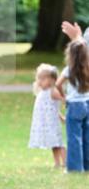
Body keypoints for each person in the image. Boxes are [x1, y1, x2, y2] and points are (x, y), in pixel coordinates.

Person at [55, 38, 89, 172]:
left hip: (74, 104)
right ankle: (87, 166)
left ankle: (75, 168)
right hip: (87, 103)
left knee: (74, 137)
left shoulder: (68, 70)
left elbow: (58, 84)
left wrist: (64, 97)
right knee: (87, 136)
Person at [28, 64, 65, 168]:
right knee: (53, 143)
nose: (40, 81)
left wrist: (62, 117)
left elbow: (63, 102)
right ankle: (57, 163)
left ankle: (65, 161)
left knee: (59, 142)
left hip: (52, 123)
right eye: (39, 78)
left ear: (52, 80)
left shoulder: (52, 91)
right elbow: (51, 108)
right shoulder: (42, 92)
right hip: (46, 123)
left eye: (43, 79)